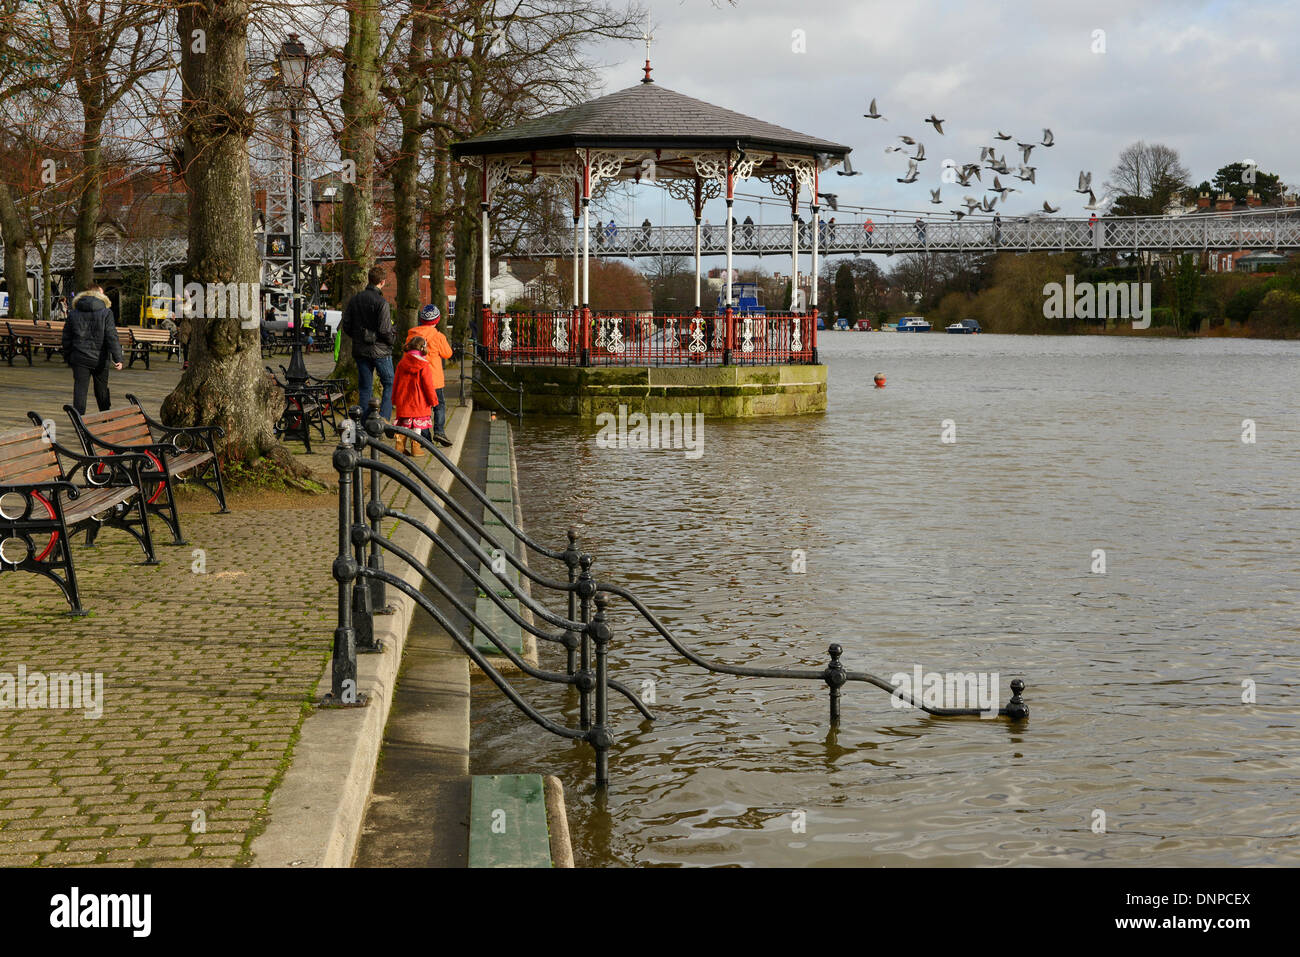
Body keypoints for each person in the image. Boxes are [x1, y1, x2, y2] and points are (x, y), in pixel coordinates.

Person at [341, 266, 396, 421]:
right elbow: (385, 330)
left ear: (369, 280)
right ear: (382, 282)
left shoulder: (355, 299)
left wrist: (359, 337)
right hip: (381, 351)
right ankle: (383, 419)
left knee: (365, 387)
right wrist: (393, 341)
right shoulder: (382, 303)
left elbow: (346, 325)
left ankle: (363, 421)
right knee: (389, 383)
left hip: (361, 350)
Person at [62, 283, 123, 415]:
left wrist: (68, 357)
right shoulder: (106, 312)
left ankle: (79, 420)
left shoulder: (74, 313)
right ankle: (105, 416)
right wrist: (118, 357)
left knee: (80, 390)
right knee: (101, 390)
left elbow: (66, 337)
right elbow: (111, 336)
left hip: (79, 357)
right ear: (97, 295)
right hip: (100, 358)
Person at [404, 304, 454, 446]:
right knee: (439, 405)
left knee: (422, 408)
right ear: (437, 320)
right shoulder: (438, 336)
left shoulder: (412, 335)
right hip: (434, 380)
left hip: (416, 378)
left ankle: (425, 436)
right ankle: (439, 431)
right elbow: (448, 353)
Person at [391, 336, 439, 458]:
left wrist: (394, 398)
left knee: (405, 423)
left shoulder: (402, 363)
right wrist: (433, 400)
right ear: (423, 349)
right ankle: (415, 448)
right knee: (417, 425)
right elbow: (428, 385)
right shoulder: (424, 365)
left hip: (403, 399)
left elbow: (395, 382)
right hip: (419, 401)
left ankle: (399, 446)